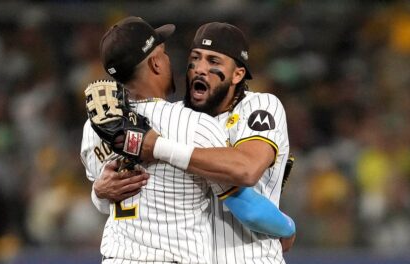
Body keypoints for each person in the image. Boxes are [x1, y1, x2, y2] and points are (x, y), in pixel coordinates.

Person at [80, 16, 294, 264]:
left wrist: (156, 146)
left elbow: (246, 170)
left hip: (249, 257)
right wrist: (99, 192)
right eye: (194, 59)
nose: (199, 68)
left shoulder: (259, 105)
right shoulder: (188, 122)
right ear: (156, 63)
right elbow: (120, 198)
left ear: (238, 74)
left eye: (213, 60)